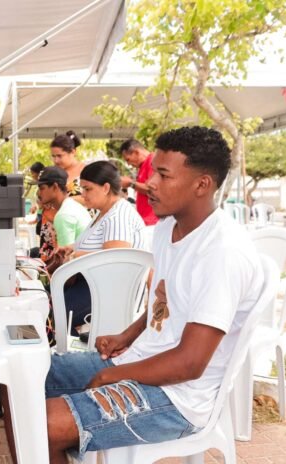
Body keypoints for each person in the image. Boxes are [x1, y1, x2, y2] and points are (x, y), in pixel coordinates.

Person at [37, 126, 264, 463]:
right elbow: (167, 300)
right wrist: (127, 335)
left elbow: (190, 363)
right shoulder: (168, 228)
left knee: (43, 424)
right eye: (152, 172)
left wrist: (112, 375)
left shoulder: (222, 252)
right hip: (139, 360)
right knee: (24, 379)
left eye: (163, 175)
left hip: (179, 398)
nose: (149, 183)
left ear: (202, 185)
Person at [53, 160, 146, 336]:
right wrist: (70, 248)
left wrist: (76, 256)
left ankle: (69, 352)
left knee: (52, 316)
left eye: (87, 189)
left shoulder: (118, 216)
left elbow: (116, 258)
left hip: (109, 294)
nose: (83, 194)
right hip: (95, 286)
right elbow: (99, 247)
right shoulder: (104, 213)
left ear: (106, 188)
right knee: (47, 305)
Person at [35, 166, 91, 257]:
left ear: (55, 187)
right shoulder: (72, 206)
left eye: (42, 188)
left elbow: (65, 258)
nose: (38, 193)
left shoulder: (63, 215)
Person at [120, 139, 159, 225]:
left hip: (152, 221)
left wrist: (130, 183)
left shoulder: (152, 161)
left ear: (136, 152)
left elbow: (152, 190)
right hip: (145, 220)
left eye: (128, 159)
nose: (128, 164)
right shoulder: (143, 165)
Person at [50, 131, 84, 202]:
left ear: (73, 152)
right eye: (53, 156)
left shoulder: (87, 171)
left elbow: (95, 198)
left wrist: (65, 200)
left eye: (59, 156)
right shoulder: (52, 173)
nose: (56, 160)